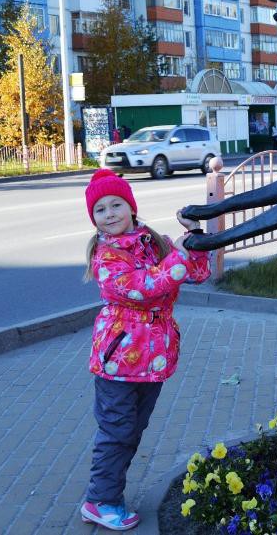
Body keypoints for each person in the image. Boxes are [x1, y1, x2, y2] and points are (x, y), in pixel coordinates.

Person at [79, 169, 210, 531]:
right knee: (117, 431)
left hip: (153, 359)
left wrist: (192, 238)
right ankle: (99, 500)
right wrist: (180, 257)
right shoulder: (106, 257)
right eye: (100, 209)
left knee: (132, 431)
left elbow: (197, 273)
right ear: (94, 219)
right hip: (119, 362)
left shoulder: (154, 243)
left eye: (116, 204)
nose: (110, 213)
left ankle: (110, 492)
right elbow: (144, 287)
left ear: (131, 207)